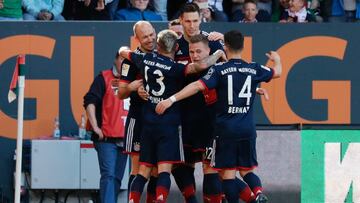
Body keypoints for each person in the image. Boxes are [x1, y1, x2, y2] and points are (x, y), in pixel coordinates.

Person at [156, 30, 282, 203]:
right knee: (242, 171)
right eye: (191, 52)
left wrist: (170, 99)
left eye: (198, 51)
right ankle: (258, 193)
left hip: (220, 129)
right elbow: (275, 73)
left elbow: (198, 86)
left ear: (212, 50)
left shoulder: (218, 68)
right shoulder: (253, 67)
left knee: (221, 173)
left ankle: (251, 199)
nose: (194, 55)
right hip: (230, 128)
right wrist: (277, 61)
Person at [118, 29, 226, 203]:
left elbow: (124, 52)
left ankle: (132, 201)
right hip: (168, 124)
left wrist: (124, 49)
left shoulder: (145, 59)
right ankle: (161, 199)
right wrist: (218, 53)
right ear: (176, 47)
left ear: (157, 46)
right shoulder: (176, 68)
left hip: (148, 123)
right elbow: (201, 66)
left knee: (143, 170)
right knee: (164, 170)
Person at [117, 20, 159, 203]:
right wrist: (132, 87)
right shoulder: (131, 59)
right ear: (137, 38)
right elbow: (120, 93)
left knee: (157, 169)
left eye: (151, 34)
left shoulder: (165, 53)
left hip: (159, 119)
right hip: (138, 118)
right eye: (145, 37)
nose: (150, 39)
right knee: (137, 169)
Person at [83, 50, 129, 203]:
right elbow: (89, 100)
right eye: (122, 59)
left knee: (116, 178)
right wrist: (95, 127)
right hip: (106, 138)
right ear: (116, 59)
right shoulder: (103, 78)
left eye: (128, 59)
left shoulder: (133, 80)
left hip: (125, 139)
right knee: (109, 175)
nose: (125, 62)